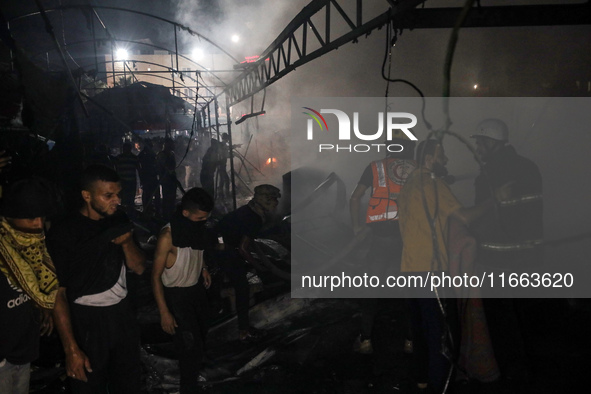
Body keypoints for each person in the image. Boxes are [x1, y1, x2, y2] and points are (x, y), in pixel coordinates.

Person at [398, 139, 510, 393]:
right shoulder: (433, 184)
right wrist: (496, 199)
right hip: (431, 270)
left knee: (420, 331)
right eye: (442, 156)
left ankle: (422, 379)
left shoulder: (409, 184)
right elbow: (465, 216)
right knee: (440, 336)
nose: (445, 160)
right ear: (429, 158)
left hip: (409, 270)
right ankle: (441, 387)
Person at [47, 164, 146, 394]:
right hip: (86, 320)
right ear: (87, 195)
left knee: (128, 383)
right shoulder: (65, 231)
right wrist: (71, 349)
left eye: (118, 194)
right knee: (88, 386)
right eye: (108, 195)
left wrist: (127, 243)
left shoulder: (118, 218)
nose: (117, 200)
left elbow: (140, 268)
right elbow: (58, 292)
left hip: (122, 316)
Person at [470, 119, 543, 382]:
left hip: (498, 260)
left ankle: (511, 377)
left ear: (491, 142)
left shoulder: (489, 173)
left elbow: (481, 219)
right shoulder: (530, 167)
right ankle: (535, 372)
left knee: (501, 322)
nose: (477, 147)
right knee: (528, 317)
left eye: (480, 142)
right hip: (529, 258)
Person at [349, 138, 416, 354]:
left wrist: (357, 228)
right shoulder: (419, 168)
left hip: (380, 239)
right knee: (409, 291)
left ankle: (366, 341)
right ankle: (410, 341)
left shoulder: (375, 167)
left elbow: (355, 197)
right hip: (408, 240)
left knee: (371, 288)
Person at [151, 188, 214, 393]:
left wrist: (203, 268)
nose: (204, 220)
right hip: (176, 296)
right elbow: (155, 276)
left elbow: (199, 248)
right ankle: (188, 388)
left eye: (206, 217)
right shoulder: (167, 236)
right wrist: (164, 312)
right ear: (186, 213)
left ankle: (195, 376)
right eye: (200, 217)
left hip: (195, 290)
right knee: (189, 346)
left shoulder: (197, 229)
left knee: (202, 334)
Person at [0, 178, 58, 394]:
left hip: (23, 351)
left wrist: (42, 307)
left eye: (42, 217)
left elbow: (42, 287)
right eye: (32, 218)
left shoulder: (35, 246)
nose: (39, 224)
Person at [218, 184, 281, 341]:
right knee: (242, 288)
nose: (276, 205)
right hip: (222, 249)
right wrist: (258, 266)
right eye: (274, 201)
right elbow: (243, 248)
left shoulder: (247, 210)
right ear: (266, 201)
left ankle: (223, 310)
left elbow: (247, 241)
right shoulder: (253, 219)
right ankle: (244, 331)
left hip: (219, 245)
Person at [137, 139, 161, 215]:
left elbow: (156, 164)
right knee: (147, 194)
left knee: (155, 194)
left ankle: (155, 210)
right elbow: (139, 164)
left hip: (152, 176)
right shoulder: (144, 154)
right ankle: (148, 210)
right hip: (147, 177)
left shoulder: (152, 154)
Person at [157, 138, 178, 221]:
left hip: (172, 178)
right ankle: (166, 215)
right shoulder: (161, 155)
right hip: (165, 179)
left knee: (172, 197)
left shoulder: (172, 154)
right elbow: (163, 166)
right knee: (166, 197)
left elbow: (173, 166)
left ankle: (171, 213)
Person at [115, 142, 139, 213]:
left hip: (130, 182)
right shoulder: (119, 158)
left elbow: (138, 168)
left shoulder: (134, 158)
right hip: (124, 182)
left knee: (130, 199)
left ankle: (130, 213)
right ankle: (125, 214)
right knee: (125, 200)